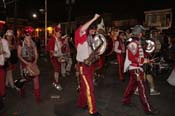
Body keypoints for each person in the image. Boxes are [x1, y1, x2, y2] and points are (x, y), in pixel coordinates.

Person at [122, 25, 158, 115]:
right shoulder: (133, 43)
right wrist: (144, 60)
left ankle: (126, 100)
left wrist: (147, 58)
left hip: (136, 68)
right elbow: (132, 58)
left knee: (131, 86)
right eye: (142, 32)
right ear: (139, 33)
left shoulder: (137, 42)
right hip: (136, 69)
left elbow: (140, 54)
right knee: (142, 89)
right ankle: (148, 109)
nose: (143, 34)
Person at [74, 14, 102, 116]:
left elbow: (90, 52)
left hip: (89, 65)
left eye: (94, 29)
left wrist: (96, 55)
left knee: (84, 87)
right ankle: (92, 111)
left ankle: (81, 103)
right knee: (90, 88)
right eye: (92, 29)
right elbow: (83, 28)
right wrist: (94, 18)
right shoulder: (79, 33)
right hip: (83, 66)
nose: (94, 31)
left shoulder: (90, 38)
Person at [17, 26, 41, 103]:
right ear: (24, 35)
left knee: (36, 78)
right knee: (25, 79)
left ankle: (37, 97)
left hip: (32, 62)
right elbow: (19, 55)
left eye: (30, 34)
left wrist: (35, 61)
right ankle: (22, 90)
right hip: (24, 63)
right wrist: (26, 63)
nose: (29, 36)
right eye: (27, 34)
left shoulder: (33, 43)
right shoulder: (21, 43)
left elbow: (36, 53)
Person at [47, 24, 63, 91]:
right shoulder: (52, 39)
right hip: (54, 57)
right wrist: (52, 52)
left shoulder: (60, 39)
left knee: (58, 70)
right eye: (59, 32)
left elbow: (62, 48)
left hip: (59, 56)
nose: (60, 33)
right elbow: (48, 48)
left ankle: (55, 82)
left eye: (60, 32)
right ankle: (56, 83)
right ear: (55, 32)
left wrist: (64, 44)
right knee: (56, 69)